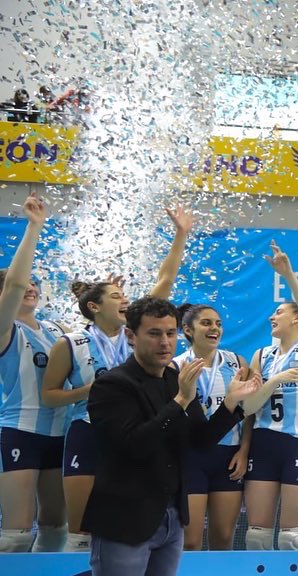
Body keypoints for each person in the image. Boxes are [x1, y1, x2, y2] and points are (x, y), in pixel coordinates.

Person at [78, 297, 258, 576]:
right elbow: (132, 445)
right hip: (124, 521)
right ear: (131, 335)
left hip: (170, 519)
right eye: (154, 333)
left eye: (170, 333)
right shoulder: (113, 385)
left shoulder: (173, 381)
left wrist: (231, 404)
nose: (164, 342)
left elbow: (198, 441)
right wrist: (178, 401)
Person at [41, 206, 192, 551]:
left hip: (131, 433)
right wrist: (89, 390)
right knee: (79, 533)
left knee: (124, 527)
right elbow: (49, 395)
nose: (125, 299)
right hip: (86, 430)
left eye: (125, 296)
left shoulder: (139, 335)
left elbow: (165, 281)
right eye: (116, 297)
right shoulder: (72, 342)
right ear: (94, 307)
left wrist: (181, 235)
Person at [241, 240, 298, 551]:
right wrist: (275, 380)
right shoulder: (261, 355)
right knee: (256, 536)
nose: (271, 317)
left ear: (297, 318)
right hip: (265, 442)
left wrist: (289, 275)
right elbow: (248, 406)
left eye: (279, 312)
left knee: (292, 538)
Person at [0, 193, 68, 552]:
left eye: (34, 284)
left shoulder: (57, 329)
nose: (28, 287)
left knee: (57, 528)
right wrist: (35, 226)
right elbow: (13, 284)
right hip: (21, 432)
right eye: (21, 285)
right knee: (16, 535)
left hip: (60, 434)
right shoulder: (5, 328)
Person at [171, 304, 249, 550]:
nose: (214, 328)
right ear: (187, 329)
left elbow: (249, 413)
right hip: (190, 458)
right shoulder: (175, 367)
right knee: (190, 542)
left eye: (218, 323)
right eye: (206, 323)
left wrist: (244, 451)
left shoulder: (237, 363)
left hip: (228, 457)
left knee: (224, 538)